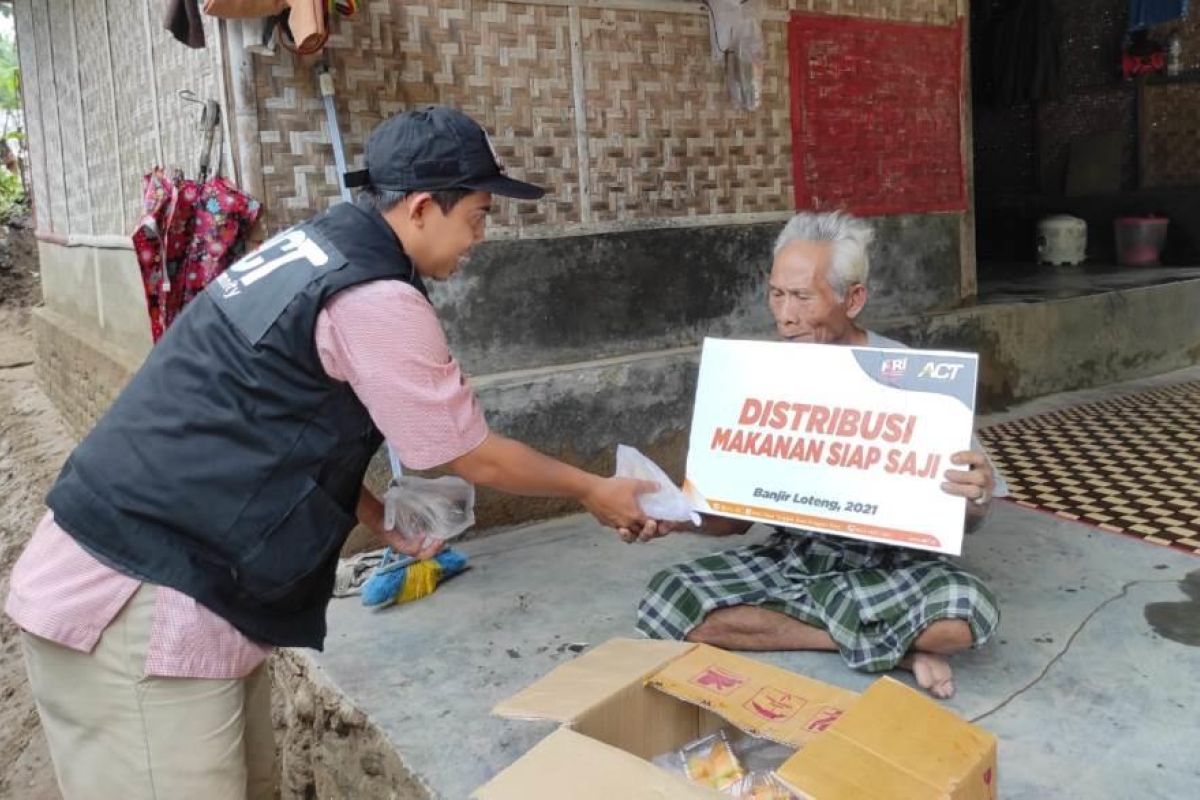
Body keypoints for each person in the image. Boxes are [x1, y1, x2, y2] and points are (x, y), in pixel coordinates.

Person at [5, 106, 657, 800]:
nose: (480, 236)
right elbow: (472, 456)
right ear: (419, 207)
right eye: (476, 214)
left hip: (168, 579)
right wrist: (594, 489)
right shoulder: (374, 297)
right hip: (137, 599)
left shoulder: (312, 250)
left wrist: (376, 516)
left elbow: (275, 418)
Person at [634, 211, 1004, 700]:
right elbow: (734, 519)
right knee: (667, 599)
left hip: (891, 567)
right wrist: (674, 515)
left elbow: (970, 514)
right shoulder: (758, 376)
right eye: (776, 294)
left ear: (853, 299)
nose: (785, 315)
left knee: (967, 610)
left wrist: (976, 493)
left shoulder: (913, 376)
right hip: (794, 559)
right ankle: (888, 644)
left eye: (803, 297)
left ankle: (839, 627)